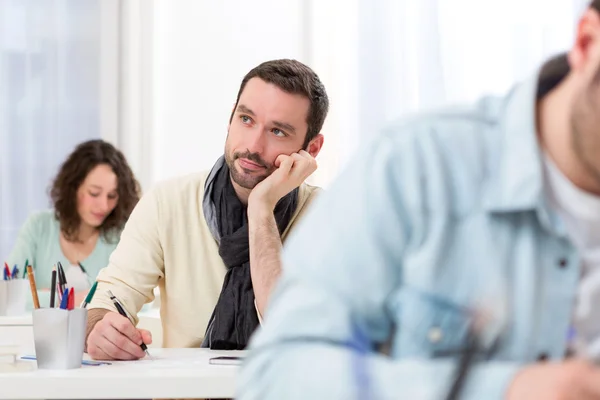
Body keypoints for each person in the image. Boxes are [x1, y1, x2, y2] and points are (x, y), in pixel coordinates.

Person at [238, 2, 600, 399]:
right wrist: (504, 390)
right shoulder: (415, 167)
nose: (256, 143)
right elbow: (277, 375)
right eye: (247, 119)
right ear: (586, 42)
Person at [85, 59, 329, 360]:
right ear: (230, 118)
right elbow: (109, 297)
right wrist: (99, 328)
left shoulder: (327, 218)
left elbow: (292, 332)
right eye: (246, 119)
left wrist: (261, 209)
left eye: (278, 132)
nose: (253, 145)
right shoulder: (167, 202)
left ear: (312, 149)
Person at [6, 139, 140, 307]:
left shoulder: (122, 236)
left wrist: (46, 299)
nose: (104, 205)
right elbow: (7, 295)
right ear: (73, 188)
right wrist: (75, 300)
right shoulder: (38, 226)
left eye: (112, 196)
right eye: (94, 193)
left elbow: (138, 296)